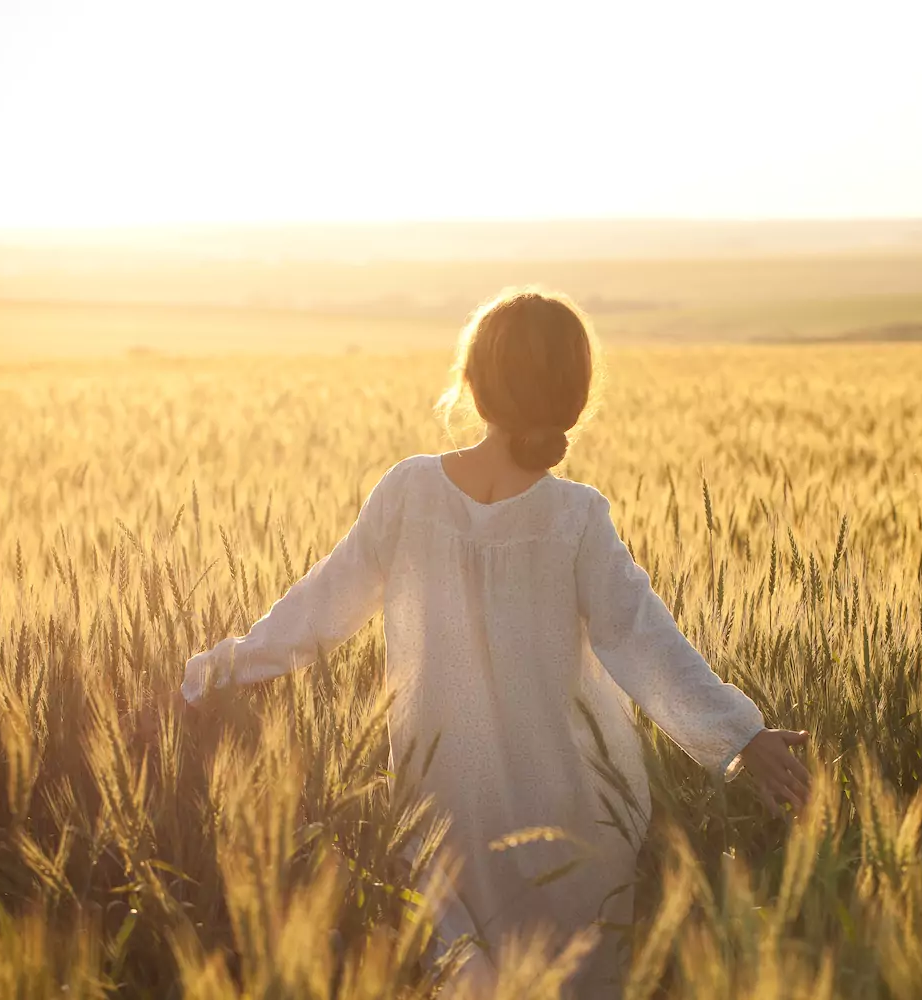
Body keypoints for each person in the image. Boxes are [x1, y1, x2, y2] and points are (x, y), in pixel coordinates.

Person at [179, 287, 812, 996]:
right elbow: (645, 643)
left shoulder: (409, 493)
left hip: (443, 810)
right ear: (574, 399)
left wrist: (216, 671)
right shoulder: (576, 517)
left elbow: (321, 607)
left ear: (473, 386)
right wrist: (739, 737)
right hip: (575, 817)